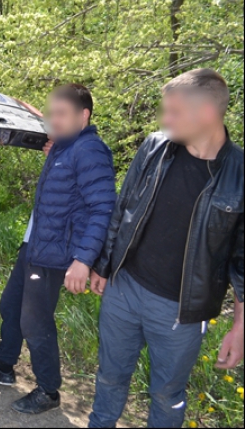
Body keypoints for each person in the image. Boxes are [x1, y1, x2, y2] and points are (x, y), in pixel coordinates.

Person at [88, 68, 244, 428]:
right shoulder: (154, 147)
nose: (164, 119)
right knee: (110, 377)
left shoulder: (239, 174)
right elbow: (123, 206)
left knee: (166, 396)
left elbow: (242, 261)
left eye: (173, 112)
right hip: (124, 290)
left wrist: (240, 326)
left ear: (205, 114)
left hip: (181, 313)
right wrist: (104, 265)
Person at [0, 84, 117, 415]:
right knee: (10, 306)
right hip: (35, 246)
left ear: (84, 115)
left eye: (62, 114)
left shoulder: (89, 150)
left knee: (35, 322)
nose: (54, 120)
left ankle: (49, 391)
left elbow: (103, 209)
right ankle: (4, 368)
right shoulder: (65, 148)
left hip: (56, 255)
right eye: (51, 114)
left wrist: (83, 260)